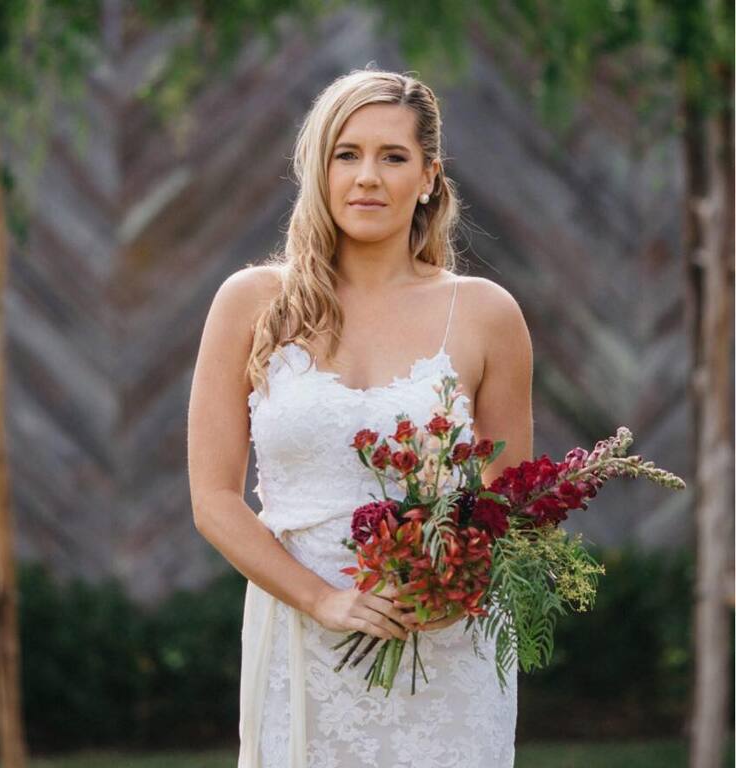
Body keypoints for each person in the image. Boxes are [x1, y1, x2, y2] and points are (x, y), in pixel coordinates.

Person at [188, 66, 534, 768]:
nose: (367, 176)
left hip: (444, 645)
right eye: (347, 154)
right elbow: (214, 499)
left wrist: (452, 585)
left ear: (430, 176)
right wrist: (323, 601)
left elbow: (511, 501)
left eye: (393, 157)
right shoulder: (253, 304)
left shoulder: (486, 314)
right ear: (319, 168)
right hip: (303, 637)